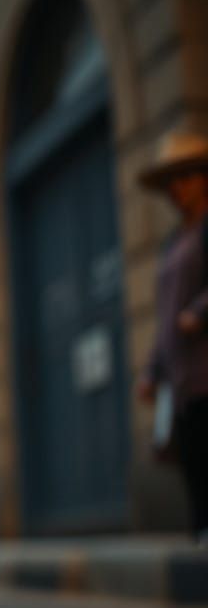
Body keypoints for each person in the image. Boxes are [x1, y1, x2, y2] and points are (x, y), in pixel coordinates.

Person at [137, 129, 208, 546]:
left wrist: (197, 314)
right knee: (193, 460)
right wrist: (152, 369)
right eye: (171, 182)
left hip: (205, 371)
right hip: (180, 380)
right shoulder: (172, 243)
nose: (177, 189)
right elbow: (164, 316)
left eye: (186, 177)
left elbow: (186, 310)